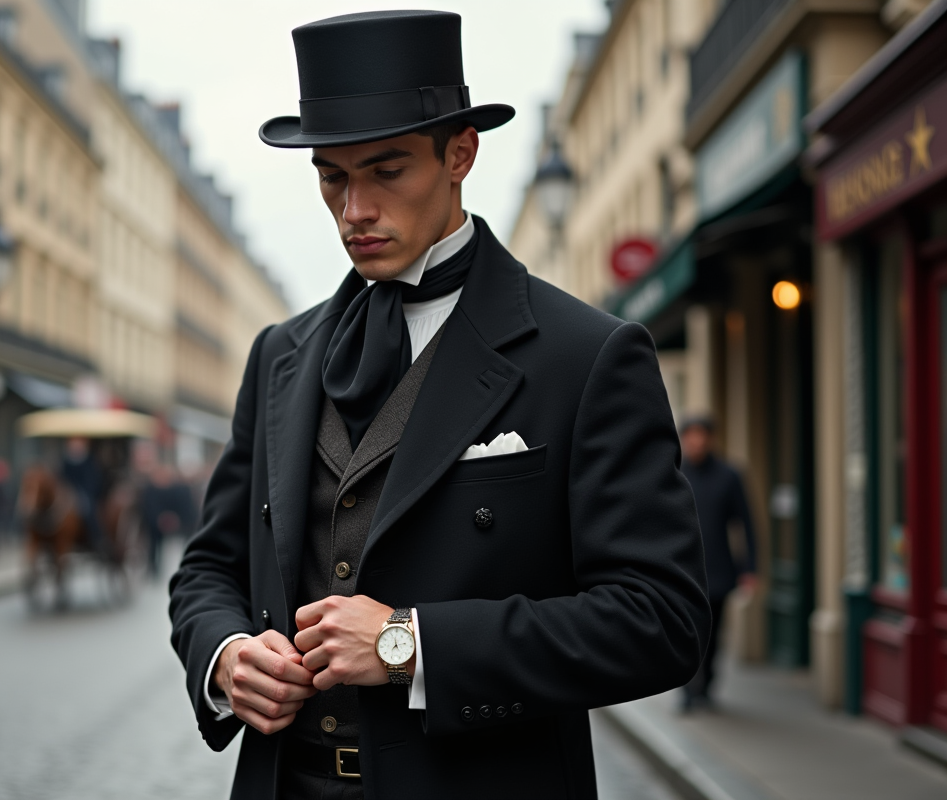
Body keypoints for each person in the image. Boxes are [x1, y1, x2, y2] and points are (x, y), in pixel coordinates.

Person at [169, 11, 710, 799]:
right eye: (332, 176)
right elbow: (208, 568)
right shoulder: (278, 355)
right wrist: (223, 654)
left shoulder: (585, 354)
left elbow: (661, 620)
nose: (354, 209)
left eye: (386, 171)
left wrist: (409, 644)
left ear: (460, 154)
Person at [679, 415, 757, 711]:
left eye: (701, 435)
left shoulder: (729, 476)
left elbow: (746, 524)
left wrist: (750, 568)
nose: (696, 442)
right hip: (684, 570)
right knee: (688, 633)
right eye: (691, 436)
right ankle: (687, 692)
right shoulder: (675, 473)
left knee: (713, 634)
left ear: (710, 439)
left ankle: (706, 686)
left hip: (720, 570)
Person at [60, 437, 108, 558]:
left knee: (88, 509)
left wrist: (82, 493)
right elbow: (61, 479)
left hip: (85, 493)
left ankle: (96, 538)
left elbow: (93, 480)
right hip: (68, 493)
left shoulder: (89, 461)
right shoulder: (66, 461)